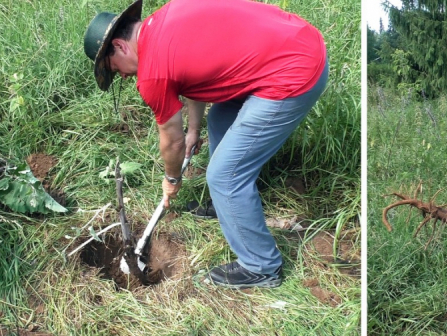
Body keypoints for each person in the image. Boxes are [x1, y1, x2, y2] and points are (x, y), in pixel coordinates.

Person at [83, 0, 328, 289]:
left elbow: (171, 141)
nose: (123, 76)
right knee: (221, 118)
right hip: (295, 42)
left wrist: (172, 178)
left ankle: (260, 266)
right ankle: (229, 204)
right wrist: (194, 129)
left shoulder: (152, 72)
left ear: (120, 47)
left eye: (115, 69)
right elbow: (193, 77)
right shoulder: (165, 19)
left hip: (294, 72)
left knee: (225, 176)